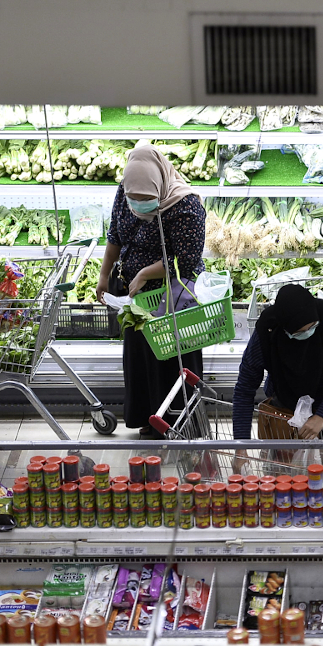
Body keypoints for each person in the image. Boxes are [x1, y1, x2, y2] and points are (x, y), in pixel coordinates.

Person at [97, 146, 206, 437]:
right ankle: (149, 418)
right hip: (135, 294)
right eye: (135, 200)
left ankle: (180, 422)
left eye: (147, 201)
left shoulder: (186, 206)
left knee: (173, 359)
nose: (140, 206)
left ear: (159, 185)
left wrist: (146, 273)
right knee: (141, 358)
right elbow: (115, 236)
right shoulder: (125, 191)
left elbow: (187, 259)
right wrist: (103, 275)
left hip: (173, 294)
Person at [232, 284, 323, 442]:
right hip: (286, 400)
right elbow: (245, 387)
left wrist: (321, 415)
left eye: (312, 327)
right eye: (299, 333)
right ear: (284, 329)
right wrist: (241, 444)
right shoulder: (267, 331)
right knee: (289, 461)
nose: (307, 334)